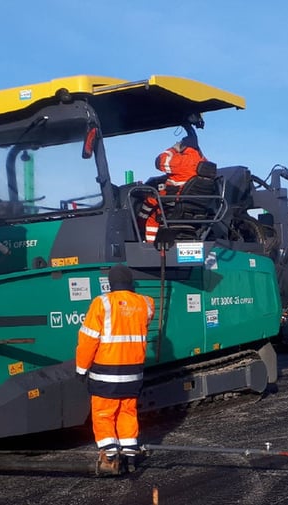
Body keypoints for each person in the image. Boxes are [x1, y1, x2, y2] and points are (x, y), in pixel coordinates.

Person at [75, 264, 155, 475]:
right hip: (134, 374)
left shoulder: (102, 303)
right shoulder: (146, 304)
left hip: (106, 373)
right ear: (130, 282)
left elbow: (88, 340)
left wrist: (81, 368)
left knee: (103, 414)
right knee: (127, 412)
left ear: (110, 283)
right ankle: (130, 454)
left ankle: (110, 457)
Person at [137, 131, 207, 243]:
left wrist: (174, 149)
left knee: (151, 210)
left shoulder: (181, 161)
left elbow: (159, 161)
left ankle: (146, 239)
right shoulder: (204, 162)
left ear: (184, 146)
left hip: (176, 201)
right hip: (197, 206)